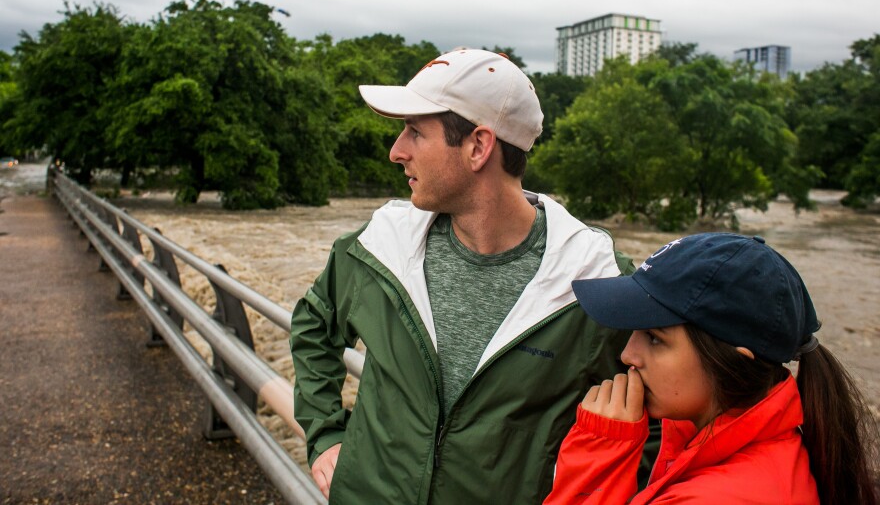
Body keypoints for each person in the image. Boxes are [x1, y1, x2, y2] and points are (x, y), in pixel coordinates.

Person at [289, 49, 649, 503]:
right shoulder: (377, 247)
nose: (396, 151)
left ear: (479, 147)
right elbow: (312, 327)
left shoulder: (596, 282)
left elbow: (653, 418)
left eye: (415, 131)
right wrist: (325, 435)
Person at [544, 232, 879, 505]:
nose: (629, 355)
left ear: (732, 362)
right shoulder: (766, 448)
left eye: (655, 338)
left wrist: (598, 459)